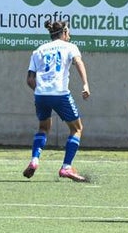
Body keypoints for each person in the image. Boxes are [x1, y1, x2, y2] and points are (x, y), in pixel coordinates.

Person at [23, 19, 90, 182]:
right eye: (69, 32)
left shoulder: (39, 50)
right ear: (64, 32)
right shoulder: (70, 47)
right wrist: (85, 84)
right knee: (77, 128)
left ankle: (35, 160)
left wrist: (42, 91)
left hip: (41, 94)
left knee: (44, 127)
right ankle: (66, 167)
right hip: (60, 94)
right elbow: (78, 62)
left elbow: (30, 79)